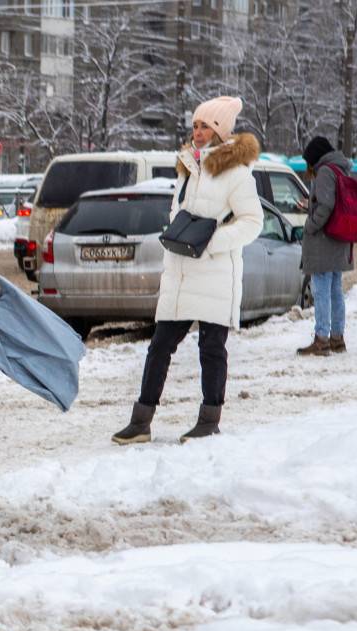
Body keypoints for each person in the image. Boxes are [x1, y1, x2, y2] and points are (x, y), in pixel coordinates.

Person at [112, 96, 262, 445]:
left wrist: (210, 242)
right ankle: (141, 421)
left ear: (221, 132)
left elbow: (253, 222)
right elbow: (177, 213)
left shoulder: (237, 174)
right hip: (180, 272)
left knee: (211, 349)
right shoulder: (187, 168)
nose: (197, 132)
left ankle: (209, 419)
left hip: (214, 274)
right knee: (160, 346)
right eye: (195, 125)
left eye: (205, 126)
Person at [296, 136, 352, 356]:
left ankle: (321, 339)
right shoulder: (340, 168)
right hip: (338, 239)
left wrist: (310, 224)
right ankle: (337, 338)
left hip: (323, 241)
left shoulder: (325, 171)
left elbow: (326, 204)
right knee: (335, 291)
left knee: (321, 291)